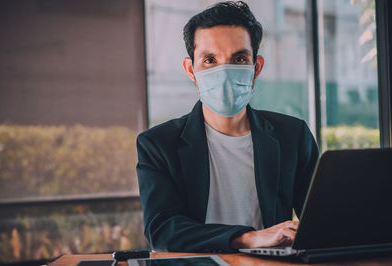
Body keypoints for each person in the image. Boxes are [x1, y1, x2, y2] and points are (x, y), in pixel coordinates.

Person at [136, 1, 319, 253]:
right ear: (191, 69)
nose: (224, 72)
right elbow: (163, 231)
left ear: (257, 67)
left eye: (239, 58)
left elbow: (322, 221)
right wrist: (247, 237)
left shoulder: (292, 135)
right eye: (210, 60)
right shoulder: (157, 144)